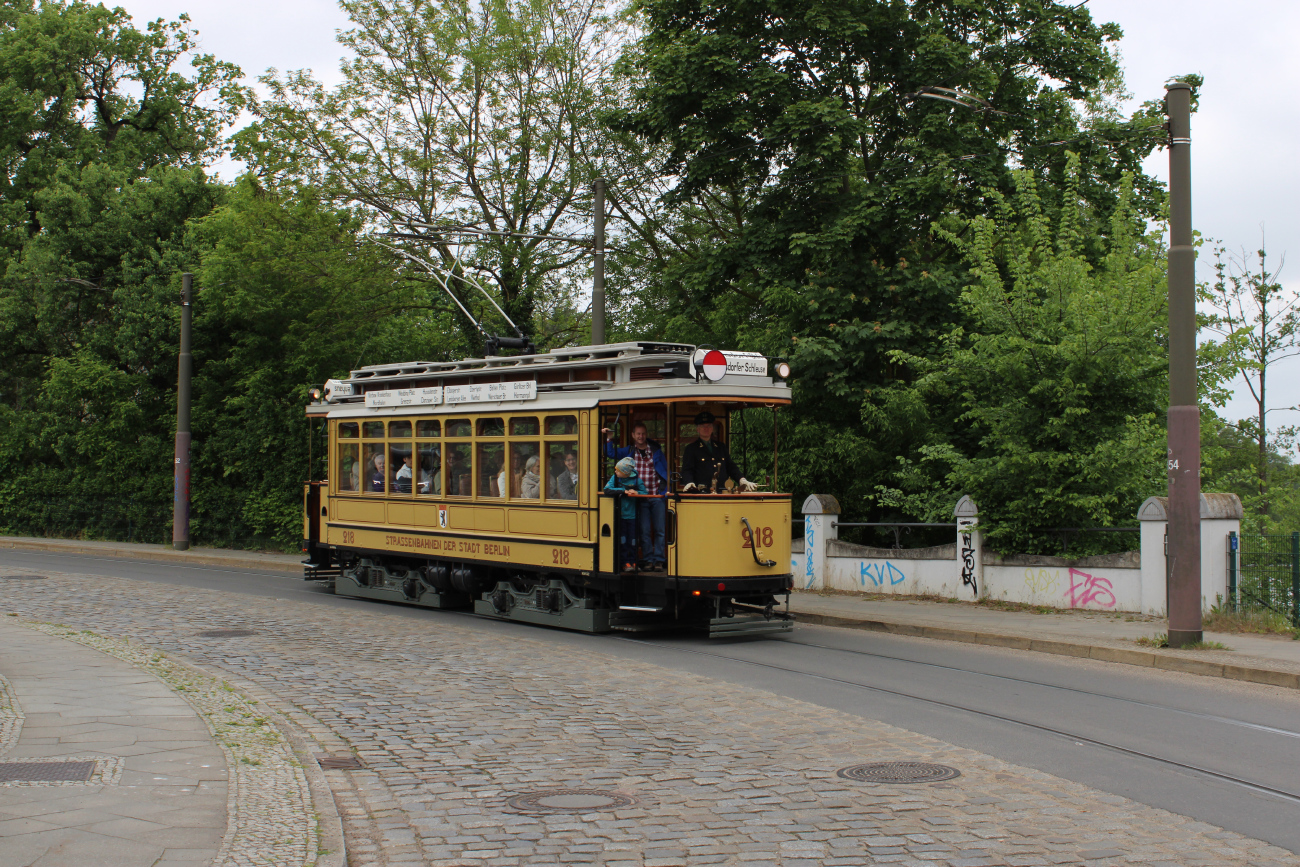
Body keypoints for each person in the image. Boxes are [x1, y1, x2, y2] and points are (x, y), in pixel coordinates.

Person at [602, 421, 668, 570]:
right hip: (640, 498)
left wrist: (664, 491)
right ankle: (648, 560)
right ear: (633, 435)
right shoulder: (630, 450)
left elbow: (665, 471)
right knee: (644, 530)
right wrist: (609, 438)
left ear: (646, 434)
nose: (641, 436)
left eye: (643, 433)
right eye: (638, 434)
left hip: (656, 495)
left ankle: (659, 560)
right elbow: (610, 453)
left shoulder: (656, 450)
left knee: (660, 530)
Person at [680, 411, 757, 493]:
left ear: (712, 428)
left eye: (709, 426)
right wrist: (689, 482)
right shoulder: (691, 449)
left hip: (722, 493)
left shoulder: (721, 447)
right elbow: (687, 470)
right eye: (703, 426)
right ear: (697, 429)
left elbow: (731, 467)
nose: (706, 428)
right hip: (701, 494)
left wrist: (742, 479)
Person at [603, 457, 647, 572]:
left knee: (633, 540)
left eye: (618, 470)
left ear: (625, 472)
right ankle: (624, 562)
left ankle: (634, 561)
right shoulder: (615, 478)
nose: (615, 472)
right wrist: (623, 491)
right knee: (622, 540)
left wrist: (636, 493)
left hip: (633, 516)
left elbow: (645, 494)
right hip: (620, 516)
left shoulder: (637, 481)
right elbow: (607, 490)